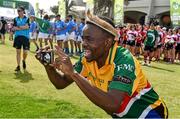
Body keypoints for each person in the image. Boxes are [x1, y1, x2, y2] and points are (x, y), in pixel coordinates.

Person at [36, 11, 168, 118]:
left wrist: (74, 74)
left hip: (150, 114)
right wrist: (48, 65)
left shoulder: (124, 60)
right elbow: (61, 83)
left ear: (107, 42)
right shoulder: (86, 59)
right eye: (83, 38)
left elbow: (113, 104)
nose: (83, 43)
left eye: (89, 39)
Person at [13, 6, 30, 71]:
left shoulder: (27, 18)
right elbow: (14, 28)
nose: (18, 12)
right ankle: (18, 66)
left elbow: (27, 27)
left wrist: (18, 27)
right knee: (18, 52)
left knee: (25, 52)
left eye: (19, 11)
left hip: (25, 37)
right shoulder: (15, 19)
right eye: (18, 11)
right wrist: (22, 27)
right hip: (17, 37)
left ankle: (24, 60)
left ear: (23, 11)